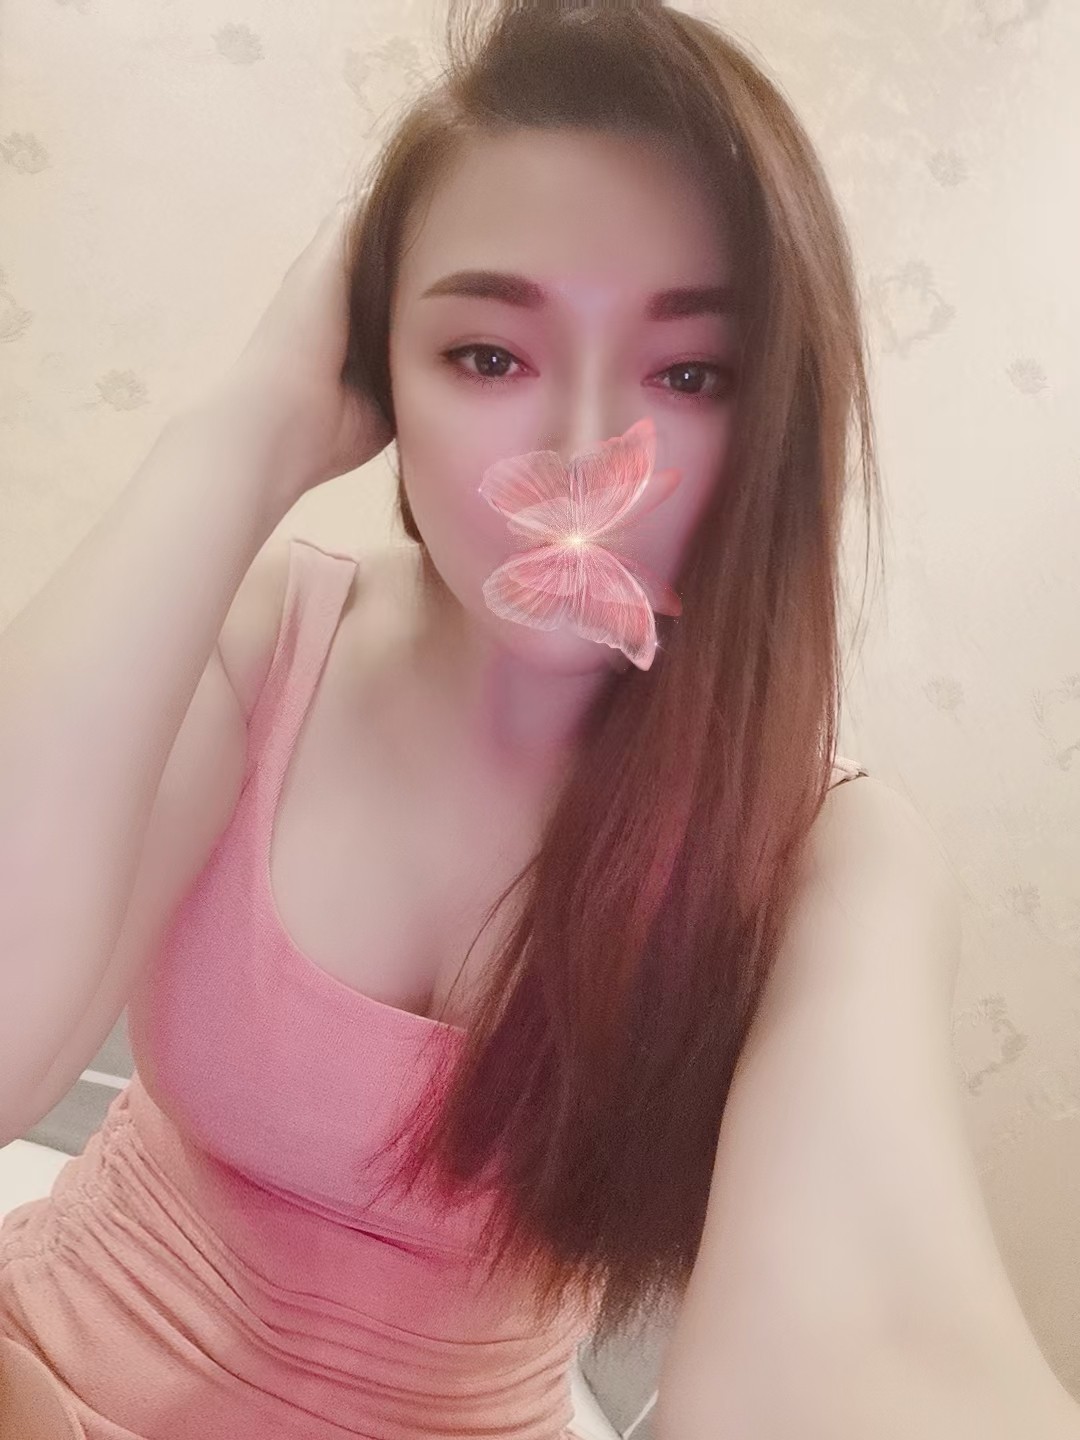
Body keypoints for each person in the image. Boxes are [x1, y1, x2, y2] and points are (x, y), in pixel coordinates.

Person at [0, 1, 880, 1436]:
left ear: (778, 412)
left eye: (689, 374)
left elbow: (884, 1329)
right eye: (487, 356)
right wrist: (244, 432)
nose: (583, 451)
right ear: (379, 370)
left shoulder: (821, 848)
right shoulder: (266, 642)